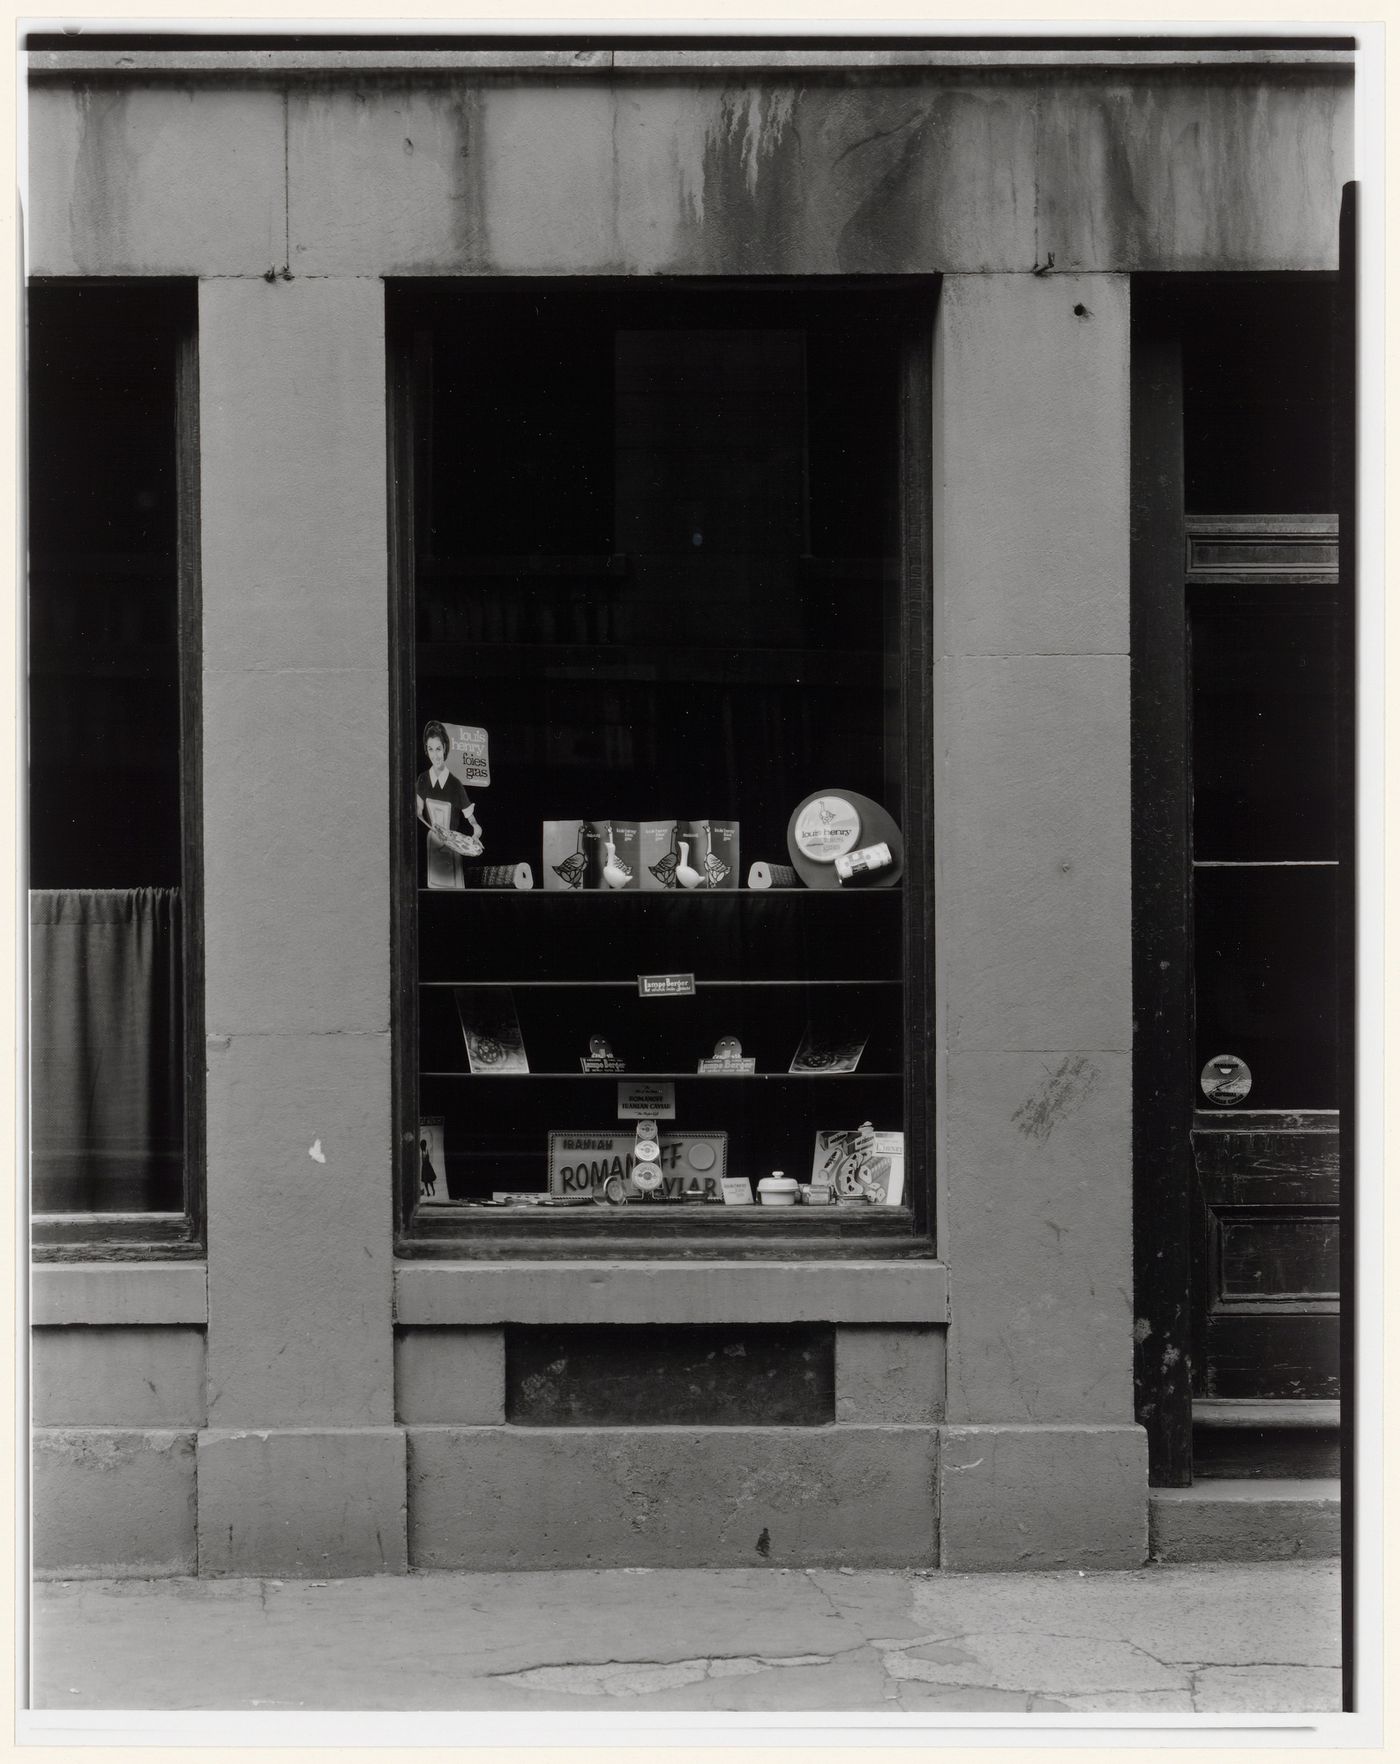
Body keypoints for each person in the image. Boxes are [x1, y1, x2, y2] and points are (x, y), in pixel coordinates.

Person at [415, 721, 482, 854]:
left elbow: (474, 822)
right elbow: (418, 813)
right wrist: (433, 832)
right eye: (430, 749)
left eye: (438, 749)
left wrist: (475, 835)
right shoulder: (422, 779)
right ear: (426, 750)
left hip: (453, 851)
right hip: (430, 848)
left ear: (445, 747)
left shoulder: (456, 785)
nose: (435, 756)